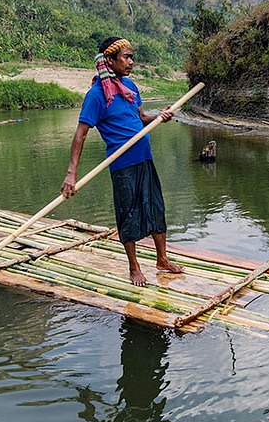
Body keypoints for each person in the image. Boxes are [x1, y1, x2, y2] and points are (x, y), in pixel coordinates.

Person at [61, 37, 184, 286]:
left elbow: (140, 118)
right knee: (128, 214)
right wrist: (71, 173)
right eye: (126, 57)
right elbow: (80, 135)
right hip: (122, 166)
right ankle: (134, 268)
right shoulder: (96, 95)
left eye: (131, 57)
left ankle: (162, 259)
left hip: (144, 159)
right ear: (110, 60)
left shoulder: (130, 88)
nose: (130, 62)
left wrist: (159, 116)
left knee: (156, 208)